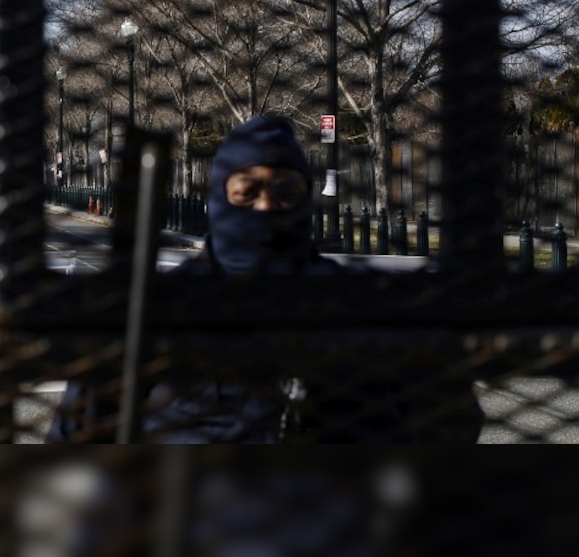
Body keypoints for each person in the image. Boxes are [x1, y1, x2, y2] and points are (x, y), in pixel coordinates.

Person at [47, 115, 483, 443]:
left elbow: (449, 424)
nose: (265, 208)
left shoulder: (359, 303)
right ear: (221, 198)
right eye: (247, 193)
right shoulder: (154, 308)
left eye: (284, 193)